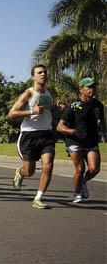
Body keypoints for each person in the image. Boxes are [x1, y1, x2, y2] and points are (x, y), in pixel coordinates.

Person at [8, 65, 55, 209]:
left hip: (46, 133)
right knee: (29, 171)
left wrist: (59, 108)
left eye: (44, 72)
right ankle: (20, 173)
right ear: (33, 77)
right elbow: (12, 113)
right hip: (29, 135)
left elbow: (48, 111)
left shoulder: (50, 93)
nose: (43, 74)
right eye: (39, 73)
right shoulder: (28, 93)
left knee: (48, 165)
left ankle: (38, 198)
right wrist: (31, 111)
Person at [57, 77, 102, 203]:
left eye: (93, 86)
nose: (92, 89)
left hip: (91, 141)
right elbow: (59, 127)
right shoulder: (73, 106)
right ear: (81, 89)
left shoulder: (98, 105)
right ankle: (77, 193)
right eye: (88, 87)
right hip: (74, 141)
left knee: (94, 169)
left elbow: (100, 122)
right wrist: (73, 131)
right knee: (80, 168)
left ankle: (82, 182)